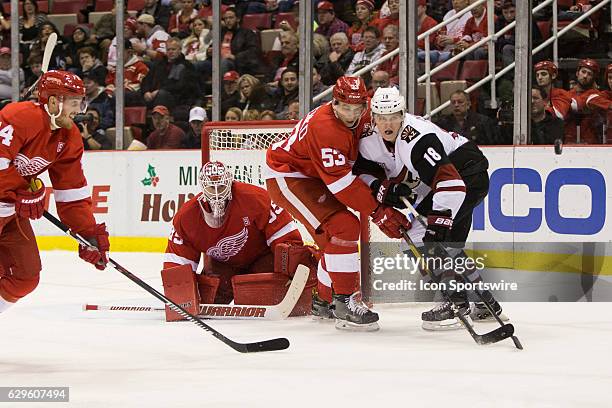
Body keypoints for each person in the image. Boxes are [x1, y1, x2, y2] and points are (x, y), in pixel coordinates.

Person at [264, 76, 410, 331]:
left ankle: (324, 298)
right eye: (345, 108)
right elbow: (342, 185)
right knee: (344, 228)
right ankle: (344, 302)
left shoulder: (367, 115)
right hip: (289, 176)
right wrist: (378, 212)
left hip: (317, 176)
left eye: (357, 109)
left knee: (334, 241)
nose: (351, 115)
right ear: (334, 103)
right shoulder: (325, 128)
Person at [356, 87, 506, 330]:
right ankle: (485, 303)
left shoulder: (415, 138)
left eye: (394, 116)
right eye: (382, 118)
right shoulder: (370, 139)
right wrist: (381, 186)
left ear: (403, 114)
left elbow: (451, 183)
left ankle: (454, 302)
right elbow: (362, 170)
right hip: (461, 174)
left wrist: (439, 224)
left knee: (419, 238)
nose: (388, 124)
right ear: (373, 118)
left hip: (465, 175)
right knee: (449, 247)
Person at [0, 70, 110, 313]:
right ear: (53, 102)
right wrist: (25, 187)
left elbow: (72, 193)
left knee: (24, 277)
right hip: (7, 205)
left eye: (80, 102)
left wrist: (87, 234)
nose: (78, 109)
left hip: (9, 215)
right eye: (73, 102)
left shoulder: (69, 137)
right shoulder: (18, 116)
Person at [161, 161, 317, 321]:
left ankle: (318, 294)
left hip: (262, 259)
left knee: (281, 276)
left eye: (221, 187)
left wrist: (292, 267)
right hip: (222, 265)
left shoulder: (256, 198)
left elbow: (286, 238)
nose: (216, 193)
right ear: (202, 187)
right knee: (211, 298)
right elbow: (177, 265)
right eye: (211, 188)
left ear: (230, 182)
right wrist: (178, 297)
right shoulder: (186, 217)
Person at [434, 90, 500, 145]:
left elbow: (491, 143)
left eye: (460, 102)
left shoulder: (483, 121)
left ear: (468, 104)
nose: (456, 105)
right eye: (453, 102)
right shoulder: (443, 123)